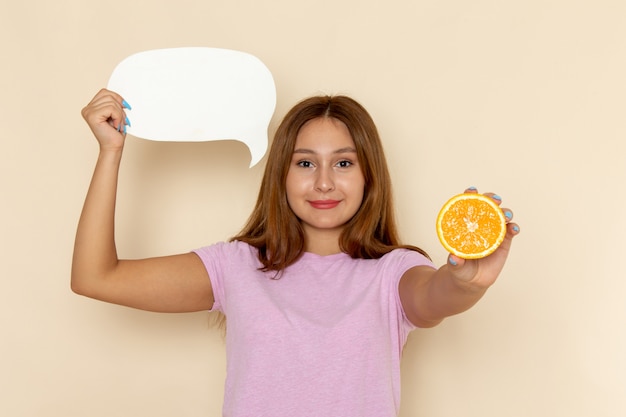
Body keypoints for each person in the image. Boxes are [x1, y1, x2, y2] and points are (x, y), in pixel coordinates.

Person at [72, 88, 520, 417]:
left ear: (369, 177)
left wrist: (466, 282)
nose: (323, 182)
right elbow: (95, 277)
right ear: (281, 175)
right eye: (305, 163)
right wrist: (110, 152)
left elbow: (436, 294)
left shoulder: (394, 272)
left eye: (343, 163)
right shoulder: (237, 267)